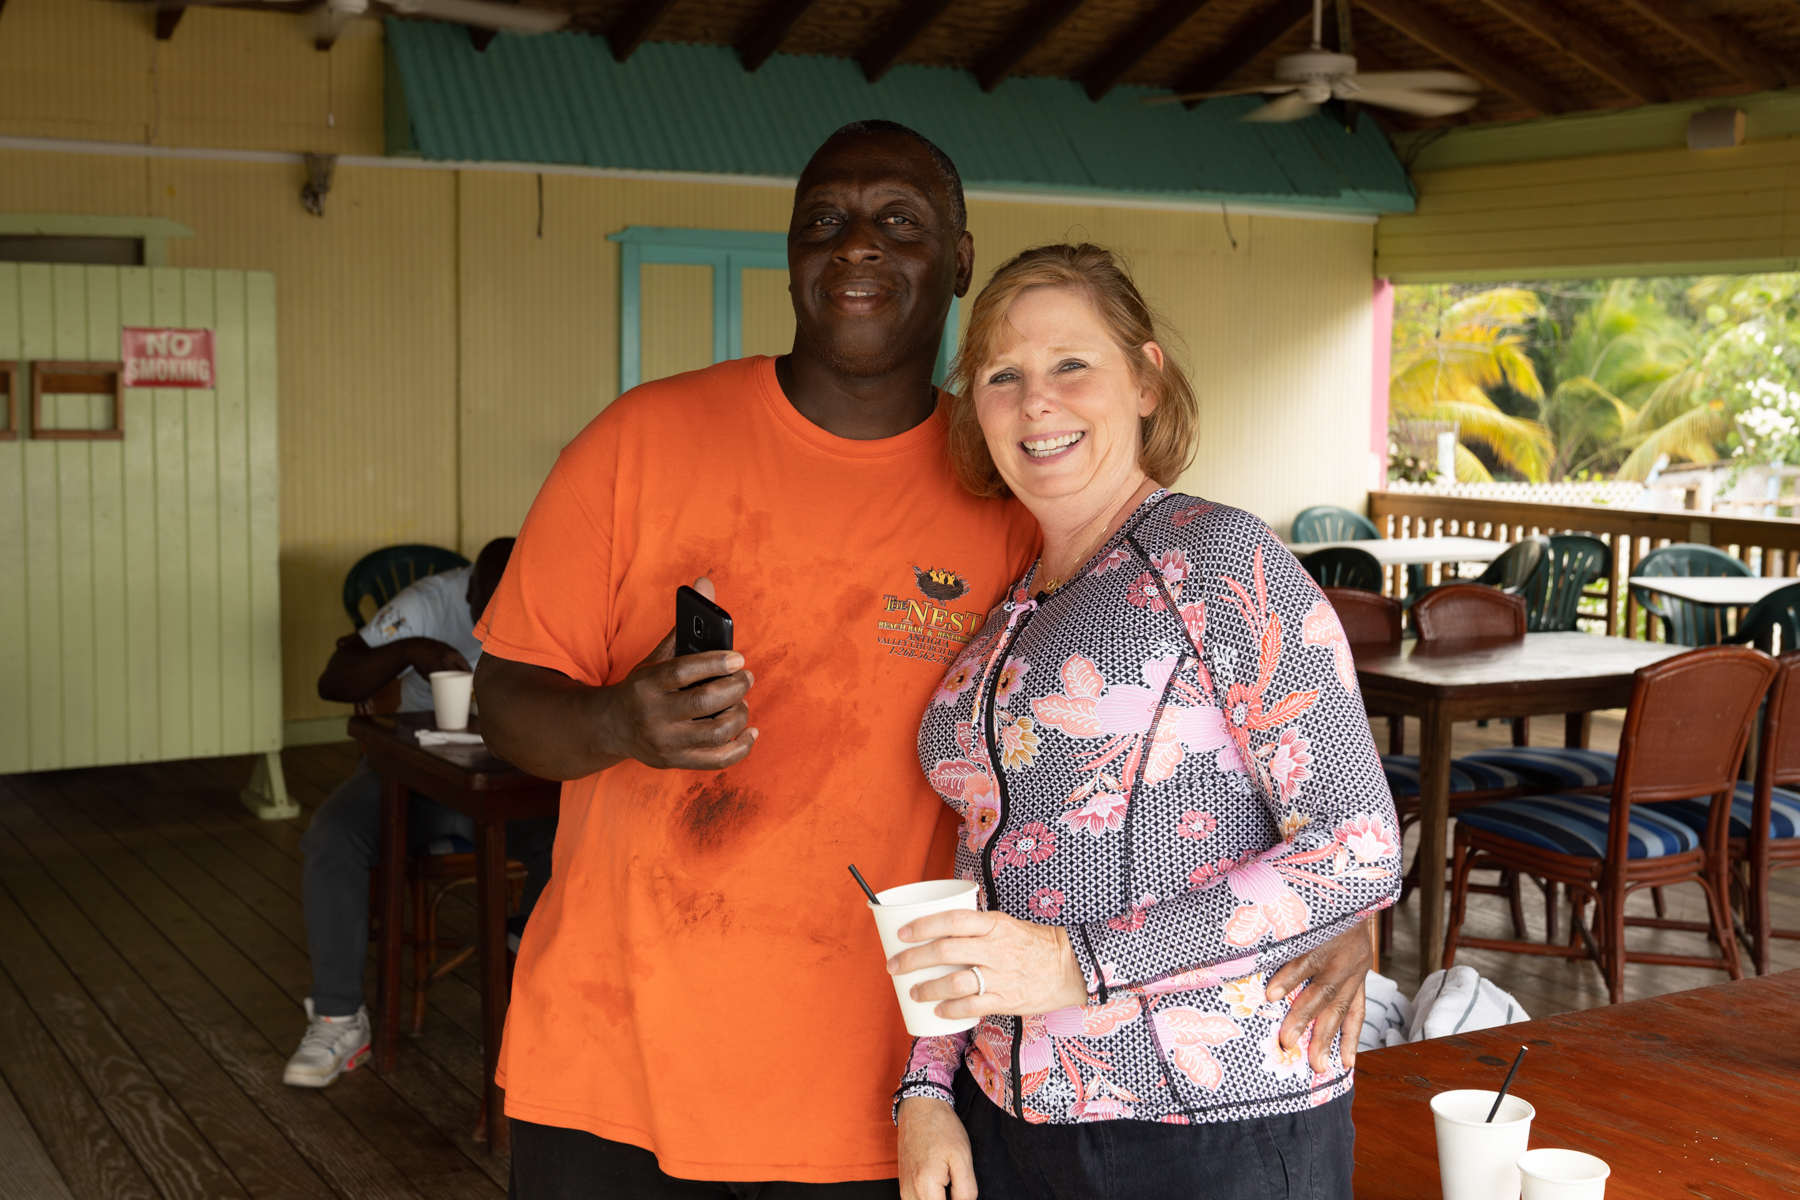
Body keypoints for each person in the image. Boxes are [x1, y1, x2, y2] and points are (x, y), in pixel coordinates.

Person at [474, 123, 1378, 1197]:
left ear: (957, 256)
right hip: (659, 1067)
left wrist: (1349, 911)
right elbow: (992, 845)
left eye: (899, 221)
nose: (856, 246)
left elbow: (1335, 814)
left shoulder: (1107, 525)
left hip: (1006, 1098)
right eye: (824, 220)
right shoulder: (647, 443)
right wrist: (620, 723)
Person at [890, 244, 1401, 1200]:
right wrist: (928, 1085)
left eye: (1071, 364)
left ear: (1147, 382)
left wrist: (1077, 963)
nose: (1036, 401)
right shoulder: (1009, 609)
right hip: (1013, 1118)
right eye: (1003, 375)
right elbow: (985, 855)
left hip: (1210, 1122)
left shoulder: (1218, 558)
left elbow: (1359, 847)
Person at [283, 537, 556, 1088]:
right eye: (485, 611)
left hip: (514, 784)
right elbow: (334, 680)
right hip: (417, 780)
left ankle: (530, 977)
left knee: (580, 838)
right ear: (468, 588)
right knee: (333, 835)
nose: (494, 626)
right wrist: (410, 651)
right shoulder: (429, 602)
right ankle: (338, 1019)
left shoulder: (550, 600)